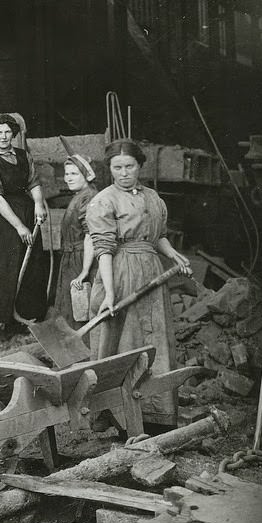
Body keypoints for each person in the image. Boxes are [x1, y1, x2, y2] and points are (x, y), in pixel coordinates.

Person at [86, 139, 192, 426]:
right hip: (120, 274)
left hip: (152, 275)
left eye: (129, 166)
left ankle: (156, 413)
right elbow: (104, 250)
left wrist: (173, 255)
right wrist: (109, 293)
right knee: (126, 344)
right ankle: (120, 417)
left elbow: (157, 236)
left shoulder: (153, 197)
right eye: (117, 167)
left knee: (155, 339)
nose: (123, 173)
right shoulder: (103, 200)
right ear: (109, 169)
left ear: (140, 166)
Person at [0, 114, 48, 344]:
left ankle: (18, 320)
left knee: (29, 264)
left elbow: (33, 183)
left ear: (13, 134)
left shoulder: (23, 156)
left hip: (25, 210)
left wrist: (39, 205)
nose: (4, 137)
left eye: (7, 132)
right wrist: (20, 227)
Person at [55, 154, 98, 327]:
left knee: (79, 309)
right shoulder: (80, 196)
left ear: (86, 176)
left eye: (74, 174)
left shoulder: (89, 198)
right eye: (67, 174)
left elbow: (90, 237)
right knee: (70, 307)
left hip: (80, 259)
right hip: (72, 258)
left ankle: (82, 350)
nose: (68, 178)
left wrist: (84, 271)